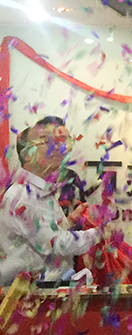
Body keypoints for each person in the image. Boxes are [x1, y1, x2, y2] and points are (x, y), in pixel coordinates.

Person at [0, 116, 99, 286]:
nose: (57, 148)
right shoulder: (24, 197)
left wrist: (69, 221)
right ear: (27, 155)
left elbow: (44, 233)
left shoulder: (41, 191)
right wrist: (99, 234)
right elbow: (56, 243)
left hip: (44, 289)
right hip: (28, 294)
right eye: (46, 142)